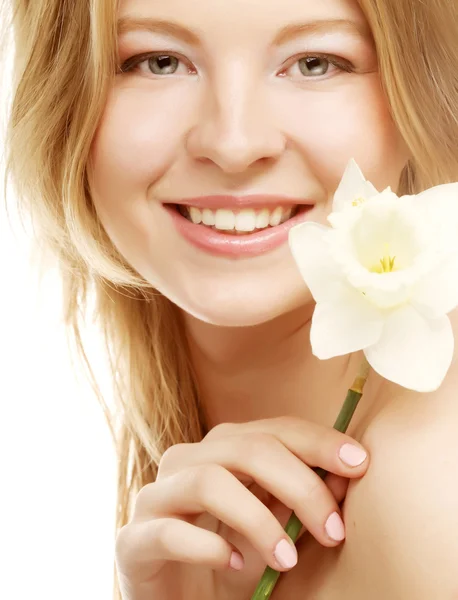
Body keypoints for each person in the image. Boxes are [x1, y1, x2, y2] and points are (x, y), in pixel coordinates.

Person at [3, 0, 458, 598]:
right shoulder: (188, 504)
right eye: (159, 62)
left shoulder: (430, 492)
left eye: (317, 62)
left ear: (419, 90)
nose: (234, 143)